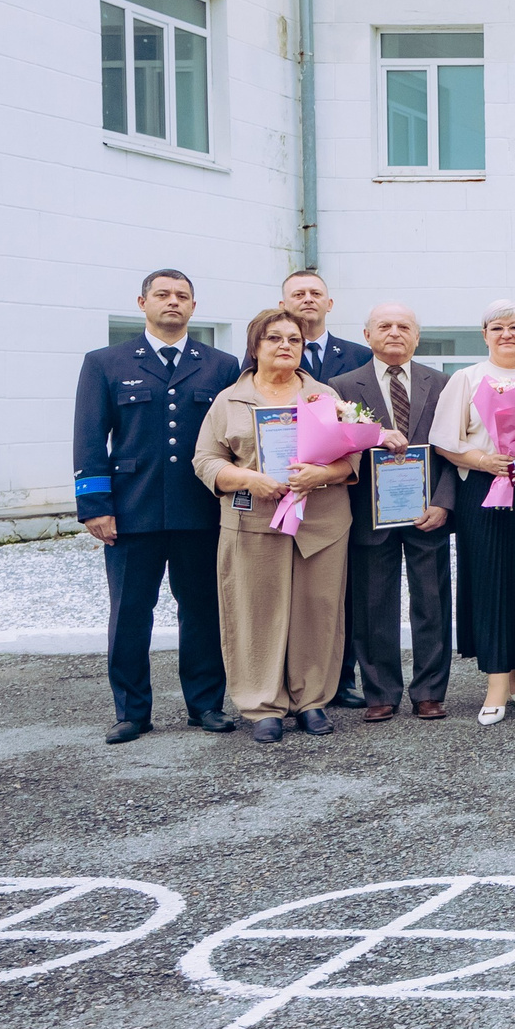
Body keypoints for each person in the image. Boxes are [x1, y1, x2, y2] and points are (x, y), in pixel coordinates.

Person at [73, 268, 239, 744]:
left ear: (193, 307)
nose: (173, 302)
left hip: (200, 512)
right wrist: (95, 507)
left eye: (182, 296)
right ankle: (131, 712)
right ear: (142, 302)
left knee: (203, 611)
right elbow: (89, 438)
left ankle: (205, 704)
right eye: (162, 294)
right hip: (131, 511)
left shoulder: (221, 365)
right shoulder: (105, 362)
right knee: (129, 614)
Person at [190, 308, 359, 743]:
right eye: (274, 338)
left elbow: (354, 455)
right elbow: (206, 460)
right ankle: (261, 704)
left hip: (320, 523)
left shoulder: (326, 396)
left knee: (318, 611)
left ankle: (312, 701)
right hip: (253, 523)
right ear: (255, 346)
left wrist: (323, 473)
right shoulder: (230, 399)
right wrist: (248, 478)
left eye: (294, 339)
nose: (285, 345)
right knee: (253, 613)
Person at [328, 305, 455, 722]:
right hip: (370, 512)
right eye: (385, 326)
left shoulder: (441, 384)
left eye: (405, 327)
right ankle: (380, 692)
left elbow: (452, 451)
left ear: (417, 337)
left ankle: (430, 692)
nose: (395, 333)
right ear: (367, 335)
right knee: (372, 603)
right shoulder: (342, 387)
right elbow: (335, 449)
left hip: (427, 511)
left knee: (432, 604)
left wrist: (444, 502)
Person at [431, 300, 515, 726]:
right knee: (490, 580)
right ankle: (495, 684)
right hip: (482, 487)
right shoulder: (467, 379)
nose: (506, 334)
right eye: (497, 328)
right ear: (484, 335)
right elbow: (443, 438)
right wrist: (481, 460)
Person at [280, 268, 374, 710]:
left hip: (344, 489)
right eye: (298, 293)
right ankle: (289, 679)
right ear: (284, 304)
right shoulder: (265, 353)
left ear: (329, 304)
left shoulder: (357, 355)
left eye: (316, 293)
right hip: (285, 491)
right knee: (291, 588)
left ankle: (342, 677)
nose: (308, 299)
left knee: (344, 588)